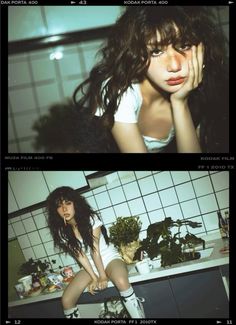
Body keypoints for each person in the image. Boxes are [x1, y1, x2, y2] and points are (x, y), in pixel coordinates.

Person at [73, 6, 229, 153]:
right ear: (136, 54)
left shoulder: (203, 89)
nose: (174, 65)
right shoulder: (120, 92)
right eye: (156, 51)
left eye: (185, 46)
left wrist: (180, 103)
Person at [46, 186, 145, 318]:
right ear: (55, 211)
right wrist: (94, 277)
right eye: (59, 206)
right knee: (67, 300)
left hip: (109, 258)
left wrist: (102, 276)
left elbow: (94, 251)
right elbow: (81, 256)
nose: (64, 209)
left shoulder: (90, 219)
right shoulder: (62, 231)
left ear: (75, 203)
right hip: (89, 266)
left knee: (121, 281)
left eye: (68, 203)